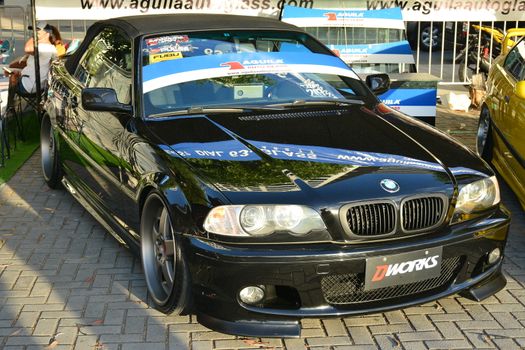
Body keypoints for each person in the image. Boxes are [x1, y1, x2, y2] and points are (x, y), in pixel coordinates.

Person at [3, 21, 58, 110]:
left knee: (13, 77)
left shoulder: (45, 48)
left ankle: (10, 107)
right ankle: (10, 107)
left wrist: (34, 37)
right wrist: (12, 69)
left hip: (30, 86)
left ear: (47, 34)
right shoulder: (44, 48)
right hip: (34, 84)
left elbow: (27, 48)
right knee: (14, 74)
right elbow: (29, 65)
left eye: (38, 31)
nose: (35, 33)